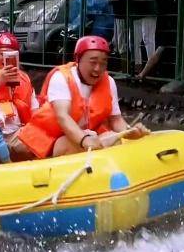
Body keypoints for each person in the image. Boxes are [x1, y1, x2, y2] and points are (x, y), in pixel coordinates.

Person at [15, 35, 149, 160]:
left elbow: (116, 120)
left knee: (114, 139)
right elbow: (63, 117)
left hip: (87, 135)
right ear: (78, 60)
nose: (98, 68)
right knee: (73, 146)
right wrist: (84, 139)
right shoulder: (62, 77)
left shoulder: (108, 81)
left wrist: (129, 131)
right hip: (51, 139)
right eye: (93, 62)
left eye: (103, 63)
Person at [0, 31, 36, 133]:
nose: (6, 59)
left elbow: (34, 108)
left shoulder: (24, 77)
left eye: (11, 55)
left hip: (22, 129)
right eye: (2, 54)